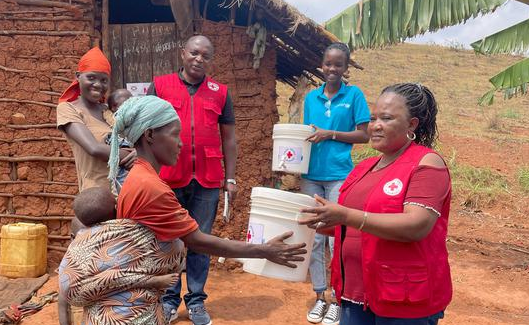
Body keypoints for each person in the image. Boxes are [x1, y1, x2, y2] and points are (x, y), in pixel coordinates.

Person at [104, 95, 305, 325]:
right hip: (137, 306)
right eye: (174, 135)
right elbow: (199, 242)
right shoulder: (153, 188)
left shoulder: (138, 176)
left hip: (134, 295)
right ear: (149, 135)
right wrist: (265, 250)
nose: (181, 143)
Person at [299, 83, 452, 325]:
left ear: (411, 125)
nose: (375, 125)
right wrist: (315, 221)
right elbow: (347, 225)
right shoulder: (363, 168)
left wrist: (346, 215)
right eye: (372, 118)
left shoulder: (427, 164)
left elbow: (417, 225)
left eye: (387, 118)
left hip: (404, 299)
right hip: (355, 293)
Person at [147, 35, 237, 325]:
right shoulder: (160, 85)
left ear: (212, 60)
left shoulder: (220, 93)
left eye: (206, 55)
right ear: (182, 53)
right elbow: (144, 129)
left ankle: (196, 301)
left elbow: (230, 139)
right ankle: (170, 300)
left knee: (201, 241)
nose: (199, 59)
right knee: (170, 240)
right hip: (169, 177)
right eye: (194, 53)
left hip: (208, 179)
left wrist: (231, 178)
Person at [302, 42, 370, 325]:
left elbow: (364, 135)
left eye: (338, 64)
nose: (332, 69)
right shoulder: (310, 98)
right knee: (315, 239)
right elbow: (305, 135)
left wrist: (330, 134)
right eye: (328, 64)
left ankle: (338, 299)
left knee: (337, 238)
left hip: (340, 175)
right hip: (310, 176)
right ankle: (320, 296)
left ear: (346, 67)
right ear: (322, 65)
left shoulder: (354, 96)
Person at [59, 186, 183, 325]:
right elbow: (176, 257)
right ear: (115, 210)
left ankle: (145, 280)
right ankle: (146, 280)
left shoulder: (78, 244)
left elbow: (69, 290)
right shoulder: (138, 234)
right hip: (144, 317)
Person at [56, 47, 136, 192]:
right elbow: (94, 148)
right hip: (97, 195)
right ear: (78, 76)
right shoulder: (68, 109)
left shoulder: (109, 111)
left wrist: (138, 154)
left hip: (128, 191)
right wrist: (135, 156)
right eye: (91, 78)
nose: (98, 84)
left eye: (104, 80)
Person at [104, 89, 134, 193]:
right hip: (122, 181)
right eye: (126, 103)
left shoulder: (135, 123)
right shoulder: (111, 125)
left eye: (133, 102)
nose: (131, 106)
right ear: (113, 107)